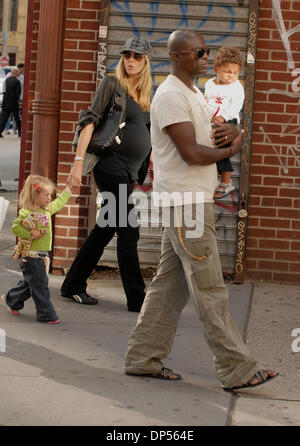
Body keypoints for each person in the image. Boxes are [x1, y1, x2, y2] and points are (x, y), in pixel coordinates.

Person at [124, 29, 278, 391]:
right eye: (197, 52)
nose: (205, 57)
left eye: (206, 51)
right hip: (186, 204)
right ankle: (237, 368)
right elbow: (192, 153)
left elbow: (215, 135)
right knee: (209, 288)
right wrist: (230, 152)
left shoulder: (194, 93)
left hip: (192, 201)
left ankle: (142, 358)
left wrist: (234, 136)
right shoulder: (171, 96)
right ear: (177, 56)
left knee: (168, 287)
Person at [60, 37, 152, 312]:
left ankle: (72, 284)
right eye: (127, 55)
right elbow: (89, 120)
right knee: (129, 232)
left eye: (137, 56)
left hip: (129, 171)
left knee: (105, 229)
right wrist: (78, 164)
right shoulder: (113, 84)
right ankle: (137, 299)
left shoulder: (147, 94)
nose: (131, 60)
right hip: (109, 165)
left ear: (146, 61)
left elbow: (147, 134)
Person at [1, 175, 71, 324]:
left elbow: (59, 203)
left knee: (31, 284)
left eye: (50, 195)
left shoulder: (46, 209)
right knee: (40, 286)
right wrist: (30, 234)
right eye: (46, 195)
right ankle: (46, 314)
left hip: (41, 256)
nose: (50, 198)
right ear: (35, 195)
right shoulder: (27, 212)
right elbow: (15, 227)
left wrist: (68, 190)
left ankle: (11, 299)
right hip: (31, 257)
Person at [204, 47, 244, 199]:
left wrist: (224, 117)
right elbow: (206, 101)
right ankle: (212, 179)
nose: (232, 76)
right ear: (216, 69)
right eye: (228, 72)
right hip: (211, 121)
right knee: (209, 149)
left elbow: (236, 106)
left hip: (228, 122)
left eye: (235, 73)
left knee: (222, 148)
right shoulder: (210, 84)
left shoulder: (236, 87)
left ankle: (226, 181)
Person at [0, 68, 21, 137]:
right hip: (14, 103)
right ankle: (20, 133)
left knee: (3, 119)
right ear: (15, 73)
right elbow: (18, 94)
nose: (19, 74)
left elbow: (3, 91)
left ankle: (0, 132)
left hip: (5, 103)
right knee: (17, 119)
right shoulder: (17, 82)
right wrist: (18, 101)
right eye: (18, 72)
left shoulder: (5, 81)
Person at [4, 63, 24, 134]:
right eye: (22, 69)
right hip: (10, 98)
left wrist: (21, 98)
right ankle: (6, 129)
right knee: (8, 115)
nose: (23, 71)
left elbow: (22, 88)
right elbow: (5, 87)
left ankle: (15, 130)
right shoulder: (9, 75)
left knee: (17, 116)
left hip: (18, 99)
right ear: (19, 68)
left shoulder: (21, 77)